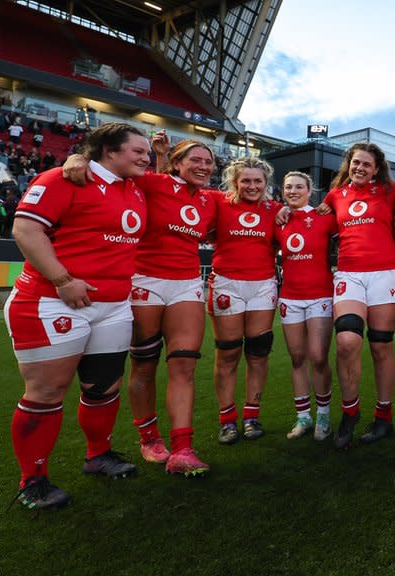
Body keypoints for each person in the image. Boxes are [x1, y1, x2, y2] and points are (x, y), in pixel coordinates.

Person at [6, 122, 149, 509]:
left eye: (148, 152)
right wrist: (63, 279)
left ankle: (97, 455)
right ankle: (32, 480)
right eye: (137, 151)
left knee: (102, 391)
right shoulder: (62, 178)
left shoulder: (137, 189)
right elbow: (25, 230)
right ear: (109, 149)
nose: (145, 157)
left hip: (114, 307)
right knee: (46, 393)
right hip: (52, 301)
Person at [61, 132, 217, 476]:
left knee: (184, 368)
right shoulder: (151, 184)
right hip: (145, 282)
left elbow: (246, 200)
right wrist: (77, 159)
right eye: (195, 160)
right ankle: (149, 439)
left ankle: (183, 449)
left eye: (208, 162)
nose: (203, 166)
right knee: (144, 367)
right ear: (177, 163)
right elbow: (110, 171)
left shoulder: (212, 200)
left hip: (187, 285)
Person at [321, 143, 395, 449]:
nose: (360, 168)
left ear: (376, 168)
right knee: (346, 342)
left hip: (385, 272)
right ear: (349, 164)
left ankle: (383, 415)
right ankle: (350, 411)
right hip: (349, 273)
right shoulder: (334, 195)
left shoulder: (391, 190)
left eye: (367, 165)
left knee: (381, 347)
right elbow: (319, 222)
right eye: (356, 163)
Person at [209, 157, 281, 444]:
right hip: (227, 283)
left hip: (263, 285)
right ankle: (227, 420)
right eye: (246, 180)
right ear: (234, 181)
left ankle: (251, 416)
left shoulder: (276, 210)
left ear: (266, 183)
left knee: (258, 353)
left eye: (258, 181)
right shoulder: (216, 201)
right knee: (227, 353)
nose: (252, 186)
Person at [274, 171, 336, 441]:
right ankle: (303, 417)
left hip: (320, 294)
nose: (293, 191)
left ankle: (323, 414)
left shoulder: (324, 217)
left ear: (310, 190)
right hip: (290, 296)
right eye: (288, 187)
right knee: (298, 358)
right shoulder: (278, 219)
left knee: (318, 356)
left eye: (299, 187)